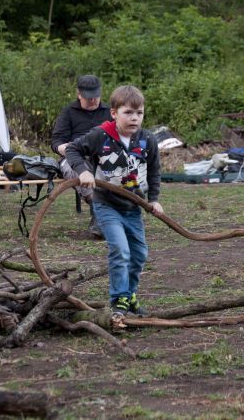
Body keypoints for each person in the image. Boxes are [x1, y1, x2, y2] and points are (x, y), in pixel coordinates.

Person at [66, 85, 163, 315]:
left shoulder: (148, 139)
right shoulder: (101, 135)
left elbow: (154, 172)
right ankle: (118, 299)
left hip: (134, 206)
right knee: (120, 250)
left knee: (139, 255)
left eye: (139, 113)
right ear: (114, 113)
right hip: (107, 204)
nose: (134, 118)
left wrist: (155, 199)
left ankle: (129, 296)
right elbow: (72, 150)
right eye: (128, 113)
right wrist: (83, 171)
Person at [51, 75, 112, 237]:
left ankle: (109, 216)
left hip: (103, 156)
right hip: (73, 156)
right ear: (79, 94)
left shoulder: (110, 112)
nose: (93, 100)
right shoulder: (68, 112)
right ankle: (98, 209)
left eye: (96, 96)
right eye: (88, 96)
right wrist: (64, 148)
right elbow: (56, 141)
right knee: (74, 169)